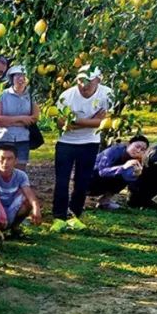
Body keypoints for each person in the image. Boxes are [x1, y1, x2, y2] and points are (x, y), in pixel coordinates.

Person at [52, 66, 112, 226]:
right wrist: (91, 122)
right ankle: (58, 217)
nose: (83, 85)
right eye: (80, 80)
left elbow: (106, 122)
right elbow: (60, 123)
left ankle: (74, 215)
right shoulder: (67, 96)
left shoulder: (107, 94)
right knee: (62, 181)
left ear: (98, 79)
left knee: (82, 182)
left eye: (88, 81)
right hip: (66, 142)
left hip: (90, 143)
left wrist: (74, 122)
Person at [0, 144, 43, 231]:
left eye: (9, 159)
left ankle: (14, 228)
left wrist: (36, 208)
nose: (5, 162)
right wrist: (1, 212)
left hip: (10, 208)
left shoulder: (21, 175)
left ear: (16, 161)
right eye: (2, 158)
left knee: (28, 201)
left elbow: (29, 193)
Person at [0, 65, 39, 170]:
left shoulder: (31, 96)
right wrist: (21, 119)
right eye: (17, 76)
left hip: (22, 139)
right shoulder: (2, 95)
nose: (21, 79)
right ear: (12, 79)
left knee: (19, 173)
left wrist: (8, 121)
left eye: (23, 76)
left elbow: (34, 118)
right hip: (1, 138)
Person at [88, 135, 149, 210]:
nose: (138, 151)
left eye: (142, 149)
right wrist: (123, 167)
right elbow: (102, 171)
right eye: (137, 146)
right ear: (128, 144)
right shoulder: (113, 151)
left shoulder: (136, 160)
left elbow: (128, 179)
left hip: (105, 182)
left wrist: (136, 174)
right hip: (91, 177)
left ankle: (105, 201)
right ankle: (80, 199)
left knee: (125, 176)